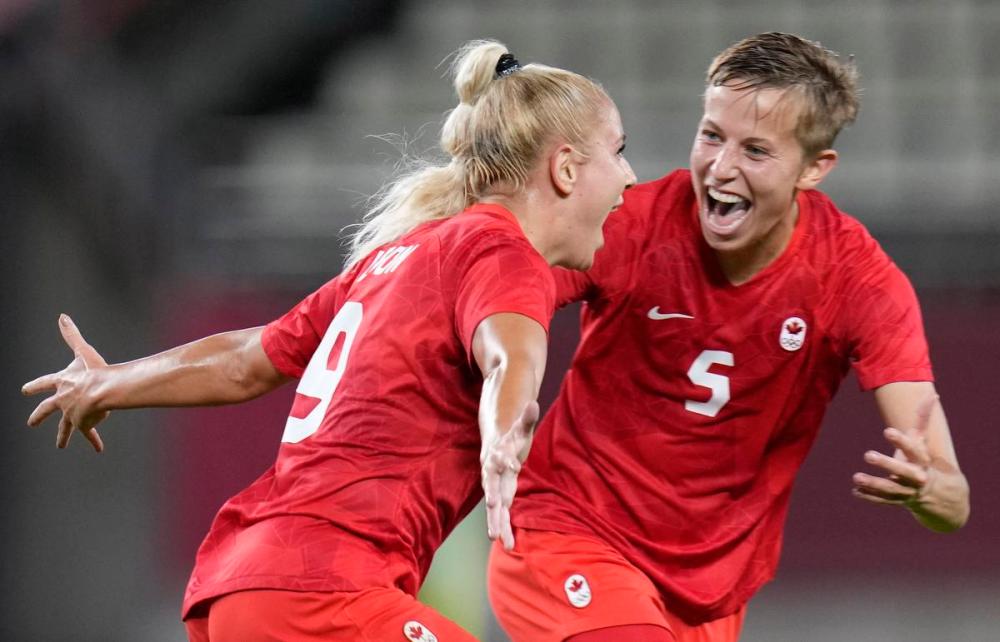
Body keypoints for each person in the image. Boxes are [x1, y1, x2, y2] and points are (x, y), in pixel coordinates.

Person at [21, 40, 636, 642]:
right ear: (565, 168)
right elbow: (507, 352)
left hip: (242, 589)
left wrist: (110, 382)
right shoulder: (503, 254)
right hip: (324, 592)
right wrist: (504, 431)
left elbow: (244, 362)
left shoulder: (398, 257)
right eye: (618, 152)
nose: (630, 178)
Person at [488, 32, 970, 642]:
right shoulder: (631, 225)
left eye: (756, 150)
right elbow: (505, 293)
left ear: (814, 169)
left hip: (705, 592)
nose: (720, 168)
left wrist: (931, 491)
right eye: (712, 135)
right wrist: (508, 385)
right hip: (568, 531)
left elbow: (953, 501)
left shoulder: (857, 282)